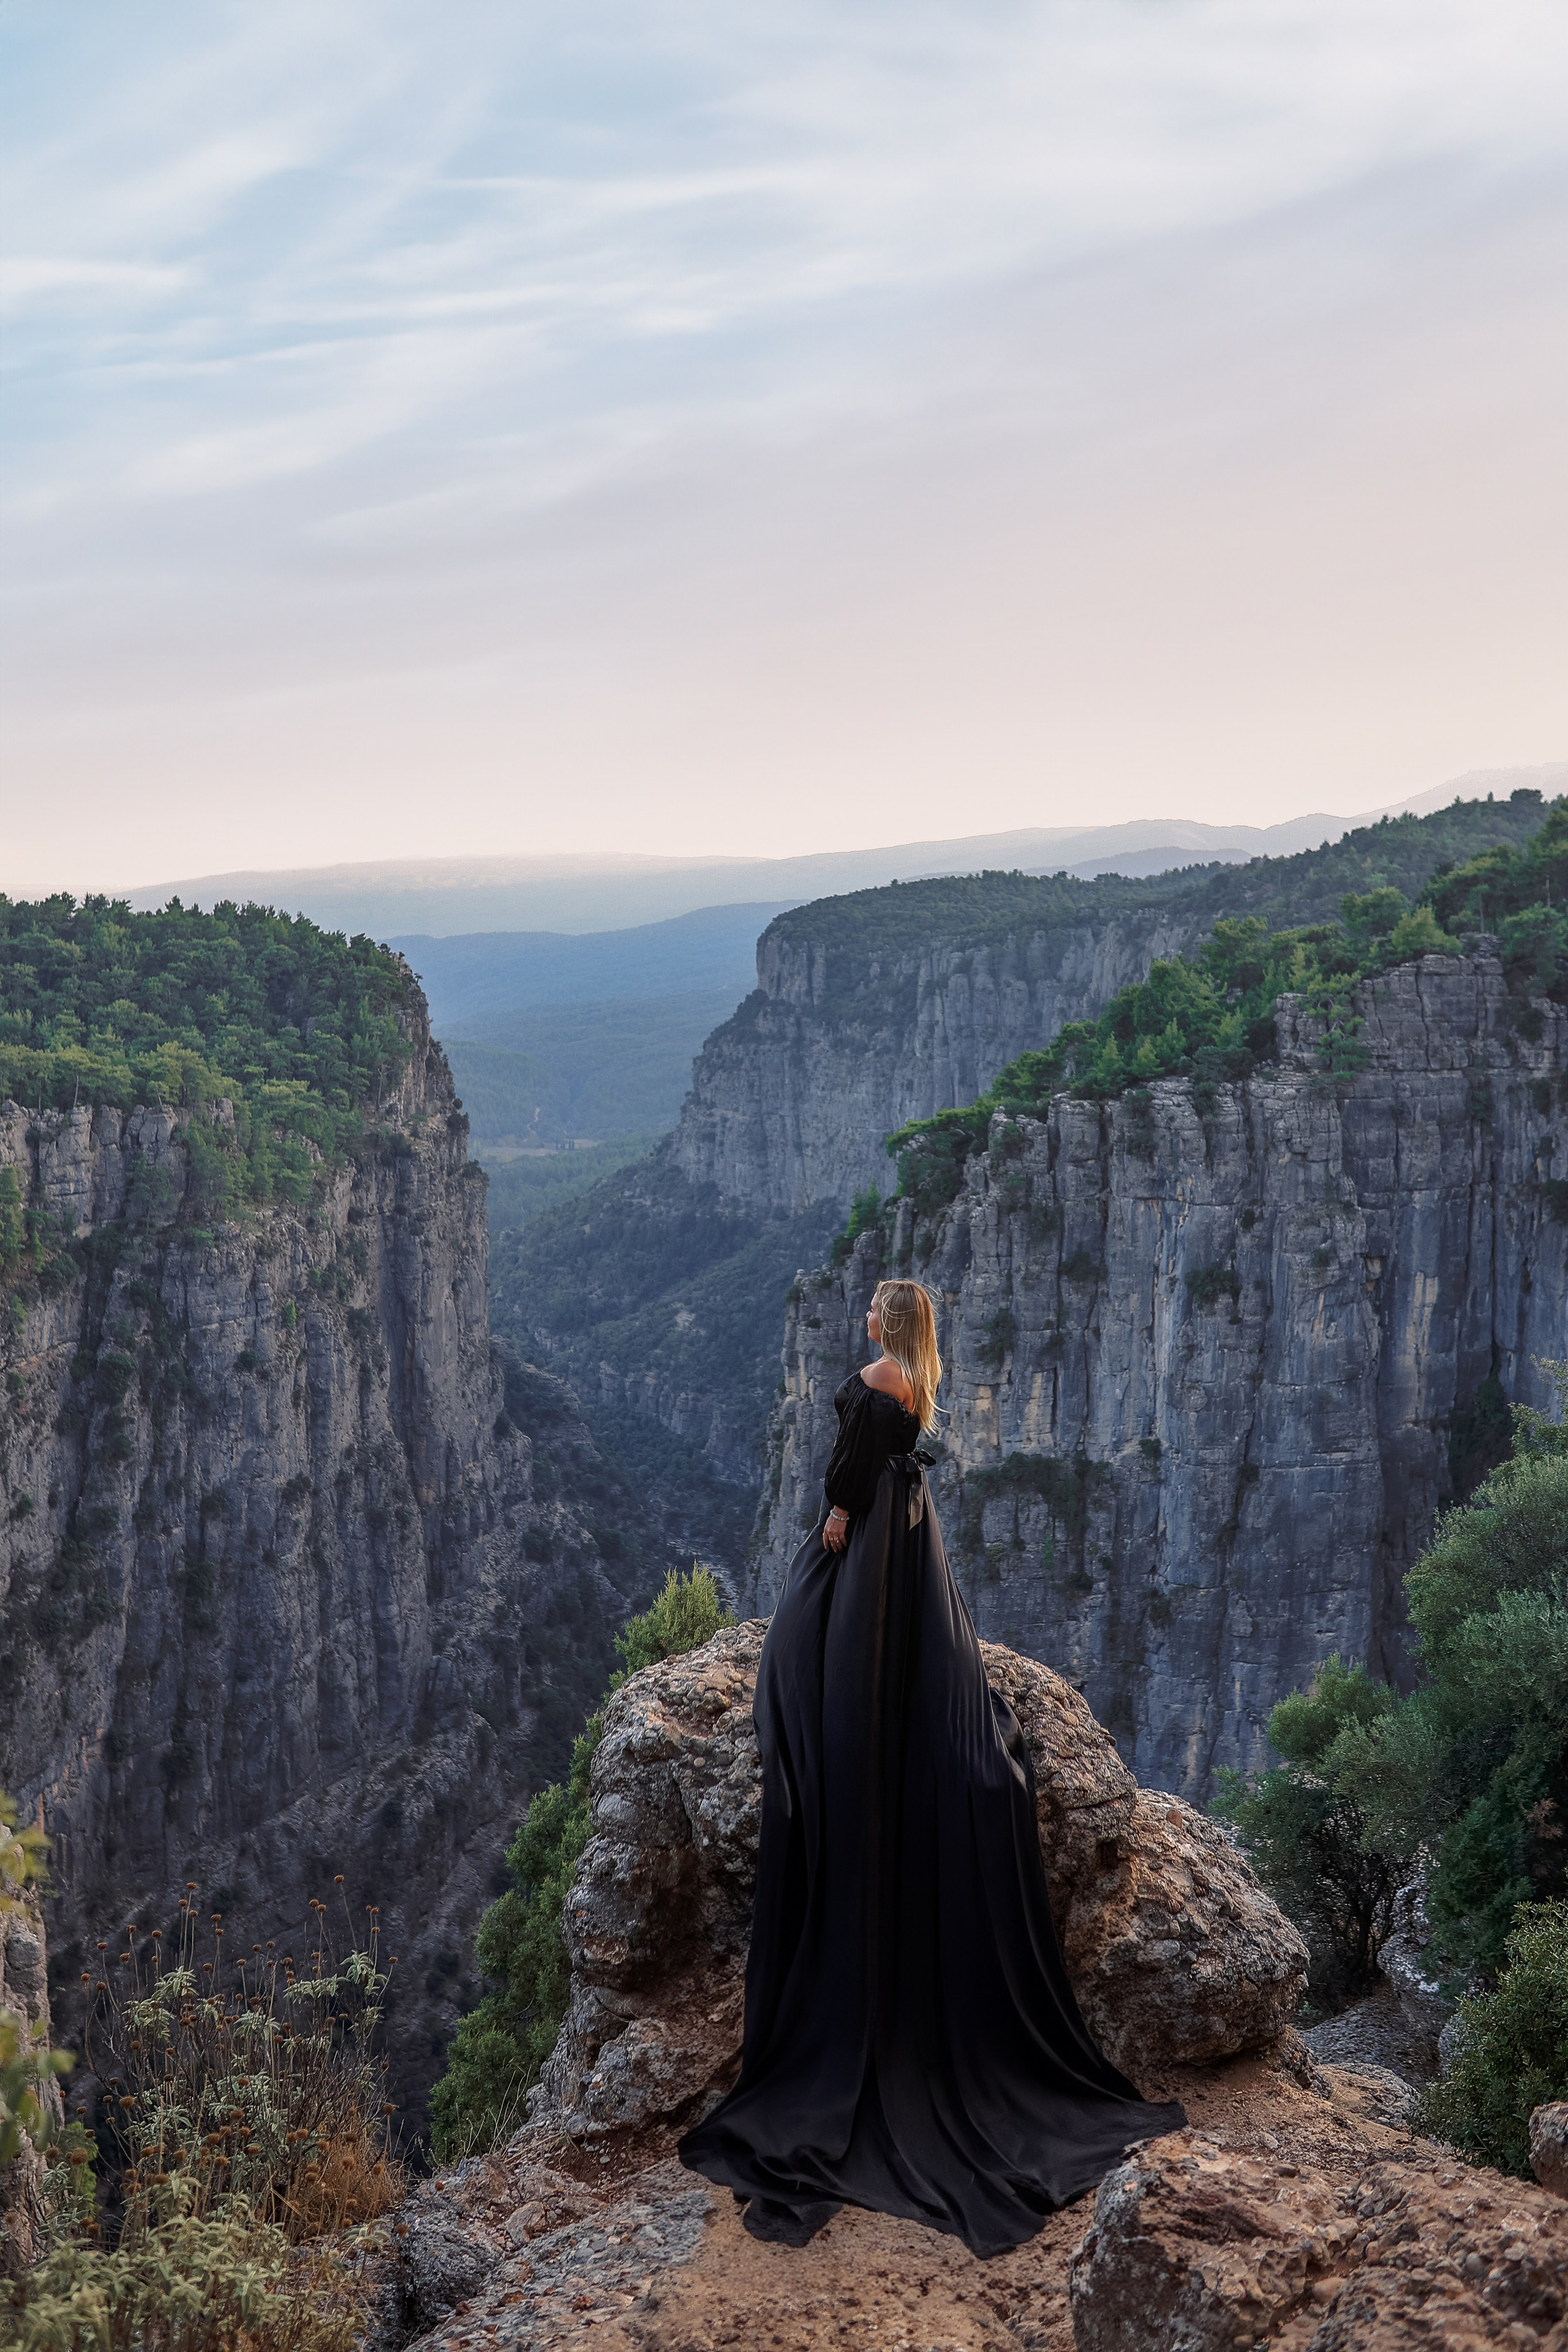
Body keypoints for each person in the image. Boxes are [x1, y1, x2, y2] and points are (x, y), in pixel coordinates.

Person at [678, 1277, 1185, 2256]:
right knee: (892, 1660)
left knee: (806, 1651)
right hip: (910, 1546)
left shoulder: (877, 1377)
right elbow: (889, 1455)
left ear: (888, 1325)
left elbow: (845, 1474)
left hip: (867, 1542)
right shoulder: (919, 1375)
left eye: (874, 1304)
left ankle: (834, 1744)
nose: (863, 1312)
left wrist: (834, 1515)